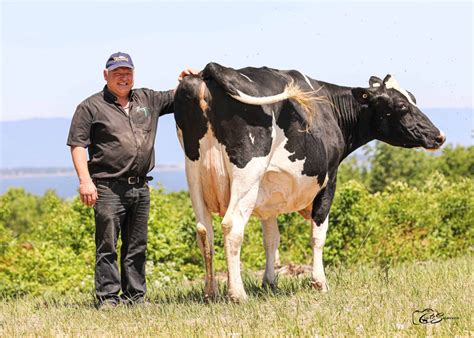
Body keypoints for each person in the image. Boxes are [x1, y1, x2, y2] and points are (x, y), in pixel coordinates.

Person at [67, 52, 196, 309]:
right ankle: (108, 298)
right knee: (107, 245)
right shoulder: (90, 106)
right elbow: (78, 145)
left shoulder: (148, 98)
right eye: (117, 73)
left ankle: (135, 297)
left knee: (137, 245)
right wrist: (85, 181)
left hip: (140, 186)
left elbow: (177, 96)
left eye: (127, 73)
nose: (123, 78)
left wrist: (187, 80)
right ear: (106, 76)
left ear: (134, 74)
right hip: (107, 187)